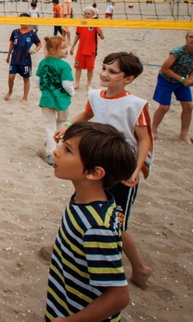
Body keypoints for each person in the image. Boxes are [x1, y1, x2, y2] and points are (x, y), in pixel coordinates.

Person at [55, 52, 154, 289]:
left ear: (128, 78)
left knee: (116, 224)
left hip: (122, 168)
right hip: (99, 163)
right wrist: (69, 126)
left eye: (112, 72)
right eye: (104, 68)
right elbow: (87, 114)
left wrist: (136, 169)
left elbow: (145, 141)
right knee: (88, 207)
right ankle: (77, 251)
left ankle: (139, 268)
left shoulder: (135, 104)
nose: (105, 74)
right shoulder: (95, 95)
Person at [45, 122, 136, 321]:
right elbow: (120, 232)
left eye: (67, 150)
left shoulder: (96, 228)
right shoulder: (86, 202)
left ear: (94, 173)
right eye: (62, 145)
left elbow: (119, 296)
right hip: (63, 302)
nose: (56, 151)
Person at [151, 30, 193, 144]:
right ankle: (153, 130)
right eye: (190, 37)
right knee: (164, 108)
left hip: (182, 81)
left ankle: (184, 134)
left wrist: (191, 78)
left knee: (189, 106)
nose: (192, 39)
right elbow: (164, 68)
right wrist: (183, 79)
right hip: (166, 80)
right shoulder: (177, 52)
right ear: (186, 38)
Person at [35, 35, 74, 164]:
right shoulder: (64, 65)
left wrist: (44, 90)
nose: (67, 50)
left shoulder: (43, 62)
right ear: (53, 50)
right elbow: (67, 84)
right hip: (62, 100)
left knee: (49, 125)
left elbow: (37, 79)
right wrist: (72, 93)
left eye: (66, 47)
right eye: (63, 48)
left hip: (47, 98)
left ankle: (49, 148)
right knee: (62, 123)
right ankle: (52, 151)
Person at [4, 14, 41, 103]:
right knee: (10, 77)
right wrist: (8, 55)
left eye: (25, 20)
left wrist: (34, 51)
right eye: (21, 20)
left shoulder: (32, 33)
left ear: (29, 22)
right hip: (14, 58)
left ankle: (25, 97)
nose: (23, 22)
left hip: (25, 60)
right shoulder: (15, 32)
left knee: (26, 78)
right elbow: (11, 44)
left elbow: (39, 44)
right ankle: (10, 91)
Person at [70, 7, 105, 90]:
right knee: (78, 67)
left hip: (91, 49)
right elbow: (77, 36)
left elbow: (102, 37)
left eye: (89, 14)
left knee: (90, 68)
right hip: (81, 49)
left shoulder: (95, 23)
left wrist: (101, 33)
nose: (87, 15)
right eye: (85, 13)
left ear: (93, 15)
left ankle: (88, 84)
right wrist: (72, 46)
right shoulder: (81, 23)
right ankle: (76, 83)